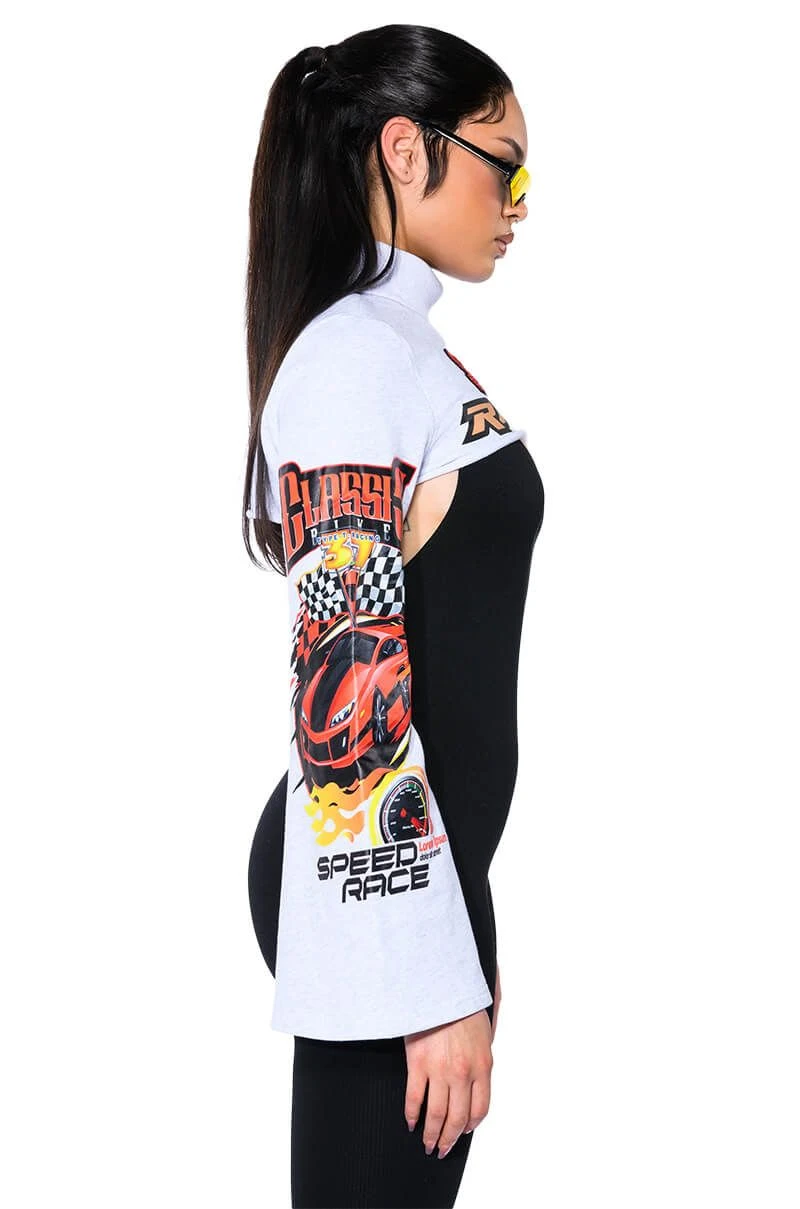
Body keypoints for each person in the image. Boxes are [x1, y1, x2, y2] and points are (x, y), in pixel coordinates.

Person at [243, 24, 545, 1208]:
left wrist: (459, 925)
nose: (518, 200)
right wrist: (422, 980)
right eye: (502, 163)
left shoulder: (403, 347)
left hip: (418, 874)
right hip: (365, 878)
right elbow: (346, 706)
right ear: (406, 150)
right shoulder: (350, 362)